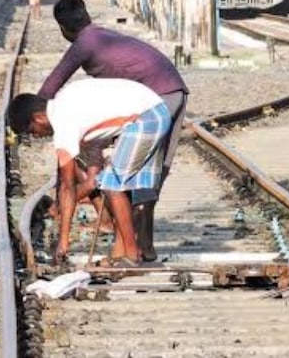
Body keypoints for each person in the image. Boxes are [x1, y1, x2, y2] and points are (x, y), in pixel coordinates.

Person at [36, 0, 189, 262]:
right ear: (87, 15)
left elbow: (49, 88)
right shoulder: (100, 35)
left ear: (63, 29)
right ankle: (143, 246)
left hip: (157, 99)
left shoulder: (84, 43)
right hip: (171, 89)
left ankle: (132, 248)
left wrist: (35, 113)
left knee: (128, 176)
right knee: (148, 175)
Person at [9, 78, 172, 267]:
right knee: (116, 187)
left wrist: (63, 242)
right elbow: (94, 173)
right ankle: (122, 254)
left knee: (113, 187)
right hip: (155, 111)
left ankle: (131, 256)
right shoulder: (71, 108)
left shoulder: (63, 122)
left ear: (38, 118)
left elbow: (67, 187)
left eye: (32, 131)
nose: (36, 136)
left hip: (146, 118)